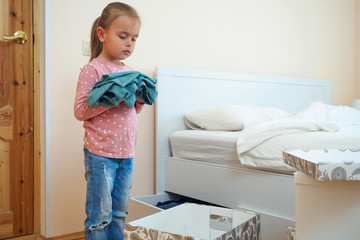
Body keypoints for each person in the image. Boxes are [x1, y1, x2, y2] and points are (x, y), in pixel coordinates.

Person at [73, 2, 143, 239]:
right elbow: (81, 110)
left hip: (126, 153)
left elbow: (129, 112)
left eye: (134, 38)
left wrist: (139, 100)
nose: (129, 43)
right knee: (99, 215)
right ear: (102, 34)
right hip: (101, 154)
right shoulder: (93, 70)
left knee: (120, 212)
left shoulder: (130, 71)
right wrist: (110, 99)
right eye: (123, 36)